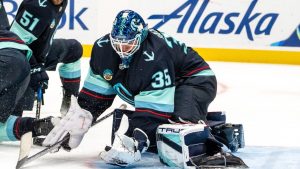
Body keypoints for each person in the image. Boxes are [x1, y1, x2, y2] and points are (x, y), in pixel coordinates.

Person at [43, 9, 218, 166]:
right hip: (161, 83)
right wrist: (84, 115)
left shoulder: (155, 55)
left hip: (193, 81)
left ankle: (214, 132)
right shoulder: (102, 48)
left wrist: (136, 139)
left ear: (141, 37)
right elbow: (96, 96)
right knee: (159, 135)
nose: (122, 49)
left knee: (177, 130)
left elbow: (154, 110)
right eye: (117, 42)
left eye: (128, 44)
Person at [9, 0, 83, 117]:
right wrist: (35, 68)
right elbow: (14, 45)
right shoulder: (34, 6)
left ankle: (69, 105)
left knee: (74, 49)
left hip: (40, 54)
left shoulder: (61, 2)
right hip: (16, 61)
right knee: (14, 121)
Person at [0, 29, 55, 142]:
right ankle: (35, 126)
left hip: (4, 63)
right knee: (1, 121)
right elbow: (22, 46)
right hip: (23, 66)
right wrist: (37, 70)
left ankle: (31, 127)